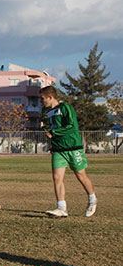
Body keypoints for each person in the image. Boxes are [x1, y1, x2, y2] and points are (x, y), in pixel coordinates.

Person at [40, 86, 97, 217]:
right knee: (56, 177)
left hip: (73, 148)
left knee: (81, 175)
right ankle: (61, 207)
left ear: (50, 97)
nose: (42, 101)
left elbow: (71, 126)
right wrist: (53, 145)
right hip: (59, 150)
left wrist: (53, 132)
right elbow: (55, 131)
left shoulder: (65, 107)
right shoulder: (49, 113)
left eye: (43, 98)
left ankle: (92, 199)